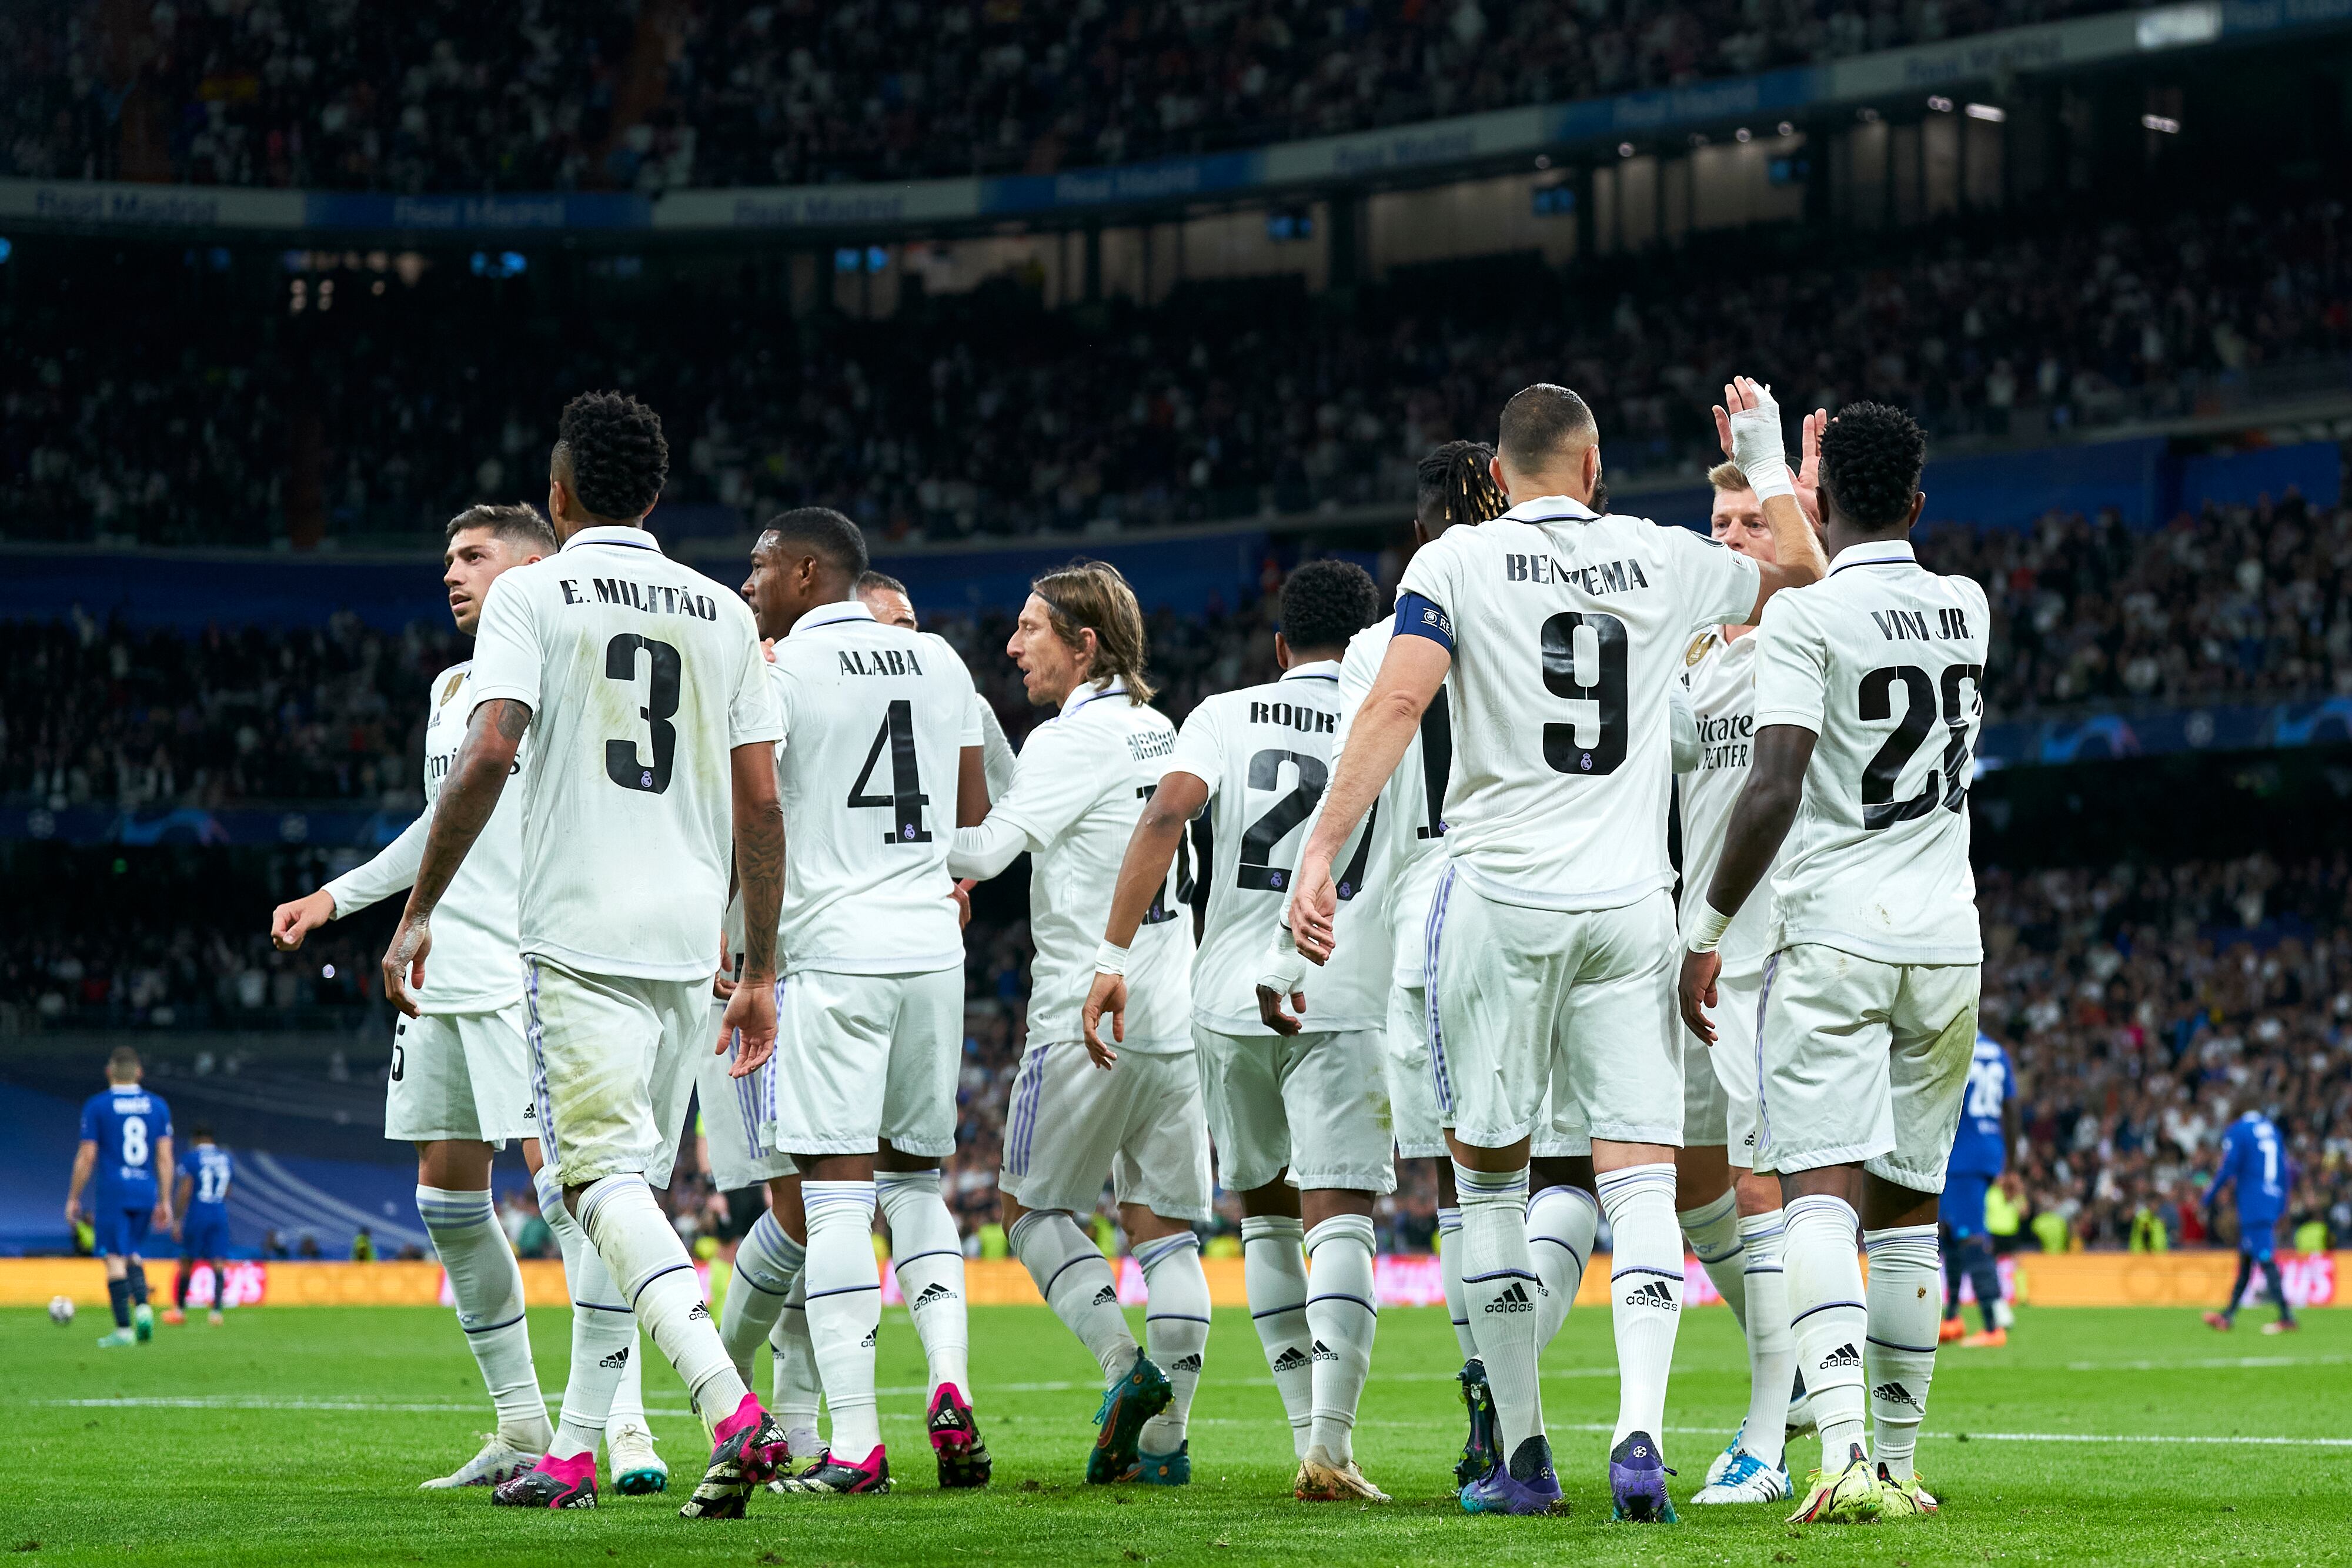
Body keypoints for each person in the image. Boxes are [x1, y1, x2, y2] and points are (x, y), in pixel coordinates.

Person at [1291, 380, 1823, 1519]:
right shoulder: (1657, 553)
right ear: (1590, 468)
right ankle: (1637, 1433)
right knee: (1636, 1174)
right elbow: (1802, 571)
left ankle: (1525, 1455)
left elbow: (1393, 705)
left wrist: (1319, 851)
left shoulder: (1455, 566)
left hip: (1499, 900)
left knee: (1486, 1179)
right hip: (1633, 905)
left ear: (1499, 470)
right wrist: (1769, 460)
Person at [376, 389, 793, 1519]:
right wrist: (756, 965)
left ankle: (725, 1404)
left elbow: (489, 749)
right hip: (685, 942)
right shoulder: (719, 610)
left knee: (593, 1180)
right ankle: (571, 1449)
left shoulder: (535, 593)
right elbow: (762, 802)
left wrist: (418, 909)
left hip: (575, 937)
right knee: (631, 1193)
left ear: (557, 498)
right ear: (654, 496)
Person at [271, 503, 664, 1496]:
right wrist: (339, 897)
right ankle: (521, 1425)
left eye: (473, 555)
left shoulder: (568, 660)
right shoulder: (454, 686)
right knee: (447, 1200)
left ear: (534, 563)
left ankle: (620, 1424)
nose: (450, 571)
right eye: (445, 555)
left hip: (528, 970)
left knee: (578, 1199)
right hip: (443, 972)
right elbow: (439, 823)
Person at [1678, 393, 1989, 1524]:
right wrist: (1784, 479)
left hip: (1835, 932)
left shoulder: (1805, 622)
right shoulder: (1969, 605)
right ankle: (1901, 1464)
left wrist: (1705, 930)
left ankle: (1843, 1455)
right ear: (1915, 500)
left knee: (1818, 1189)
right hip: (1948, 939)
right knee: (1910, 1210)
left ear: (1828, 504)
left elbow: (1771, 786)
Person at [1087, 558, 1392, 1504]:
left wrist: (1113, 954)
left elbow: (1168, 813)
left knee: (1265, 1212)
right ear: (1375, 635)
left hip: (1222, 995)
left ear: (1278, 643)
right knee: (1339, 1211)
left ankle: (1306, 1430)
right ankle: (1331, 1449)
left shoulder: (1225, 710)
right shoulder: (1391, 709)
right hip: (1340, 986)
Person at [729, 508, 991, 1497]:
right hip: (932, 949)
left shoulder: (780, 673)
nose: (750, 582)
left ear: (807, 572)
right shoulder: (940, 662)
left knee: (834, 1192)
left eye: (760, 566)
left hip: (835, 952)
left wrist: (757, 959)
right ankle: (951, 1381)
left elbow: (756, 809)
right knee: (917, 1184)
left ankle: (854, 1444)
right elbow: (970, 822)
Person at [947, 560, 1214, 1487]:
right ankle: (1165, 1447)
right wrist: (984, 723)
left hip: (1082, 1013)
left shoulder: (1075, 742)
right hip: (1173, 1014)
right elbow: (1057, 805)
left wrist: (880, 842)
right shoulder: (1156, 729)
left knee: (1026, 1207)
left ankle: (1119, 1363)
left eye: (1031, 629)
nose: (1015, 645)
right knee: (1163, 1227)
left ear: (1083, 642)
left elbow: (989, 848)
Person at [1675, 442, 1829, 1508]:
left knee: (1763, 1180)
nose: (1728, 539)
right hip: (1689, 943)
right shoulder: (1693, 647)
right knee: (1691, 1185)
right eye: (1719, 525)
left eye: (1747, 525)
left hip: (1772, 944)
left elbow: (1815, 576)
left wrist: (1791, 490)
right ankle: (1803, 1365)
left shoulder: (1804, 628)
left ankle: (1768, 1436)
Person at [860, 569, 1017, 801]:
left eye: (908, 631)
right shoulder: (815, 706)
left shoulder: (967, 706)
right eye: (885, 634)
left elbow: (1009, 799)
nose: (905, 645)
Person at [66, 1047, 173, 1348]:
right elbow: (165, 1158)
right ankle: (142, 1305)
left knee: (113, 1257)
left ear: (109, 1072)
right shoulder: (158, 1106)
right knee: (131, 1252)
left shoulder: (98, 1106)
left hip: (114, 1191)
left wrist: (74, 1196)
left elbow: (88, 1157)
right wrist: (165, 1200)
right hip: (145, 1189)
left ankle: (125, 1328)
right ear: (139, 1073)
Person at [1939, 1031, 2022, 1348]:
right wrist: (2011, 1164)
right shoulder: (1997, 1051)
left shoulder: (1954, 1043)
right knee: (1949, 1232)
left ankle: (1992, 1324)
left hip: (1962, 1154)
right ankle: (1953, 1318)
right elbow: (2011, 1108)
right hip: (1988, 1149)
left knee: (1971, 1236)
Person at [2202, 1108, 2297, 1335]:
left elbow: (2230, 1164)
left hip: (2253, 1201)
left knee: (2265, 1258)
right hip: (2271, 1198)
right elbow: (2284, 1171)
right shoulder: (2273, 1130)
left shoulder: (2240, 1130)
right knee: (2246, 1259)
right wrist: (2282, 1204)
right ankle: (2228, 1316)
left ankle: (2286, 1316)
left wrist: (2210, 1194)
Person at [170, 1124, 235, 1326]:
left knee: (188, 1261)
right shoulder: (227, 1158)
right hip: (219, 1212)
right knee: (218, 1263)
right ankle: (216, 1312)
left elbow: (185, 1190)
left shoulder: (191, 1158)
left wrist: (178, 1218)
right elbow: (227, 1191)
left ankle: (180, 1311)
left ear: (197, 1139)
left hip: (198, 1212)